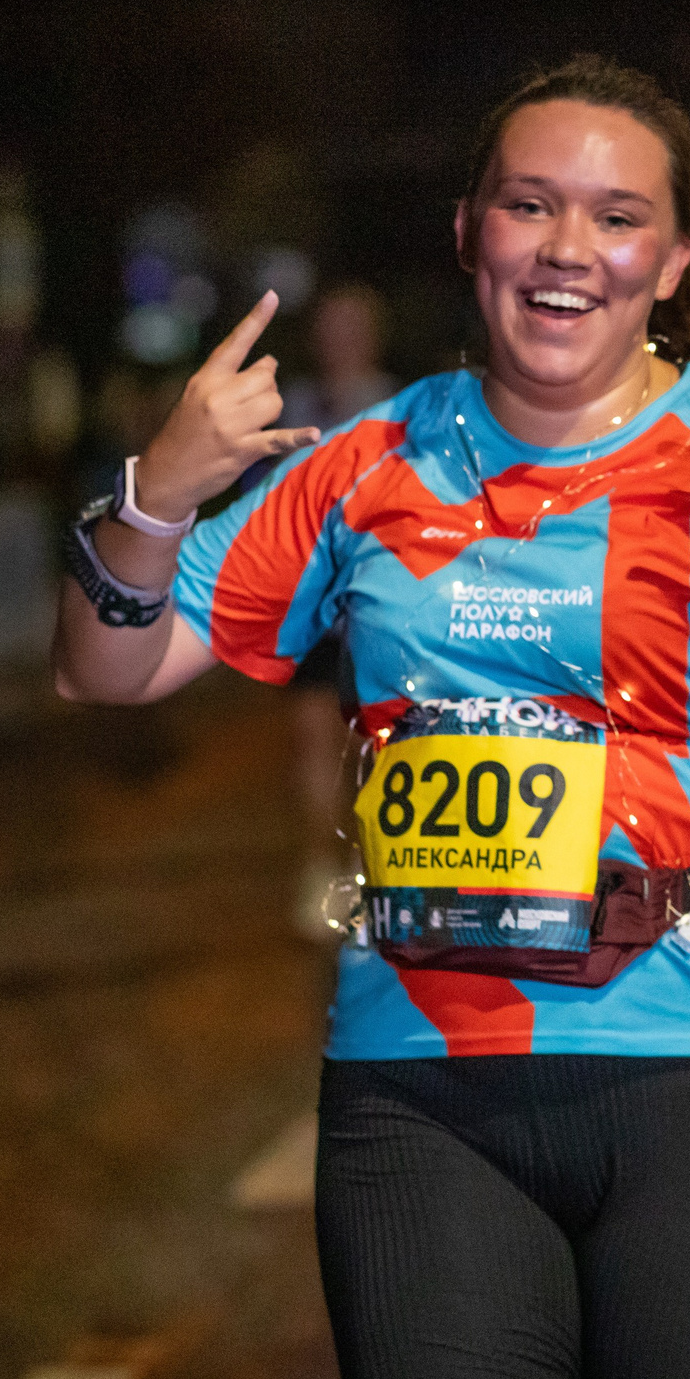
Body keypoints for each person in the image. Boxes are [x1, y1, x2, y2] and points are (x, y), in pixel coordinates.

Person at [52, 56, 690, 1379]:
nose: (567, 249)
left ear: (670, 257)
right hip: (420, 1081)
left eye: (614, 216)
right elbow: (113, 666)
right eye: (530, 206)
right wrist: (157, 495)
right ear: (470, 229)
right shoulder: (364, 463)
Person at [276, 284, 402, 939]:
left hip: (380, 607)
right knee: (313, 743)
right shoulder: (300, 406)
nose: (342, 338)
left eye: (354, 325)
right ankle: (318, 868)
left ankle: (369, 868)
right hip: (315, 608)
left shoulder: (402, 404)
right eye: (332, 325)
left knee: (376, 746)